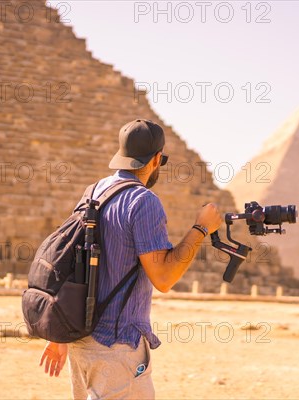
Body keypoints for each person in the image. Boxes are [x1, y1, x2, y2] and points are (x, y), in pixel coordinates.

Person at [38, 119, 222, 399]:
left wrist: (59, 334)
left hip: (81, 340)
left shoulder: (93, 193)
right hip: (116, 347)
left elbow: (72, 262)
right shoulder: (143, 201)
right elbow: (163, 278)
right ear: (157, 159)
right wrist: (200, 229)